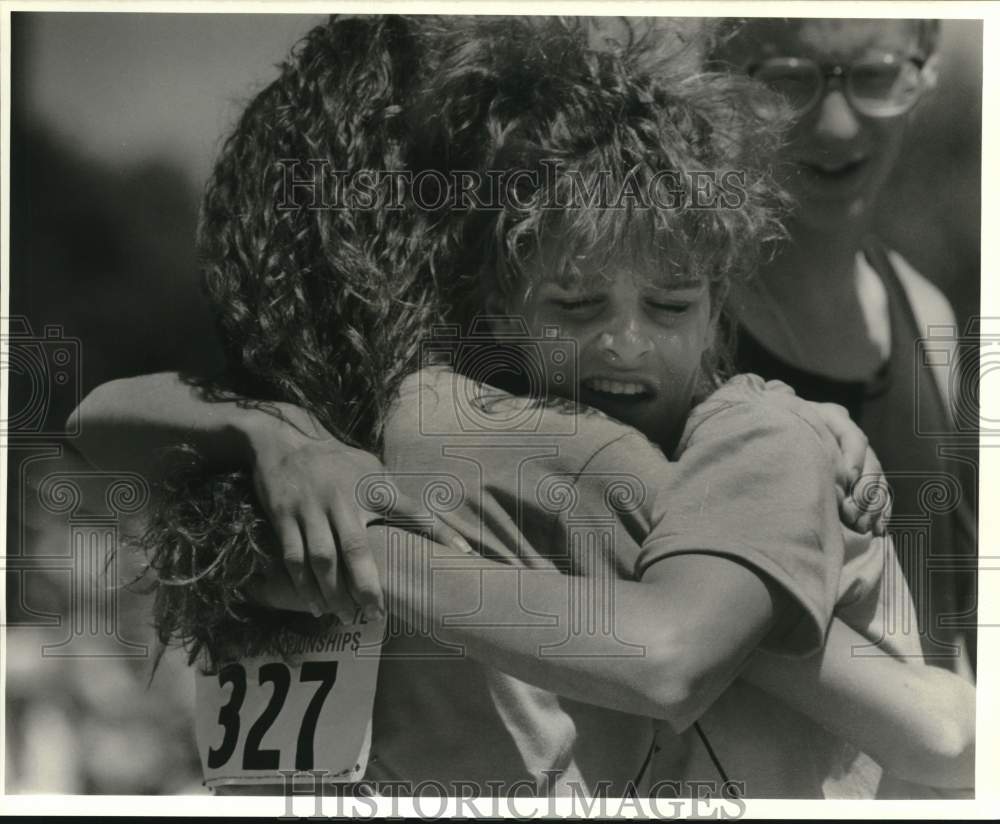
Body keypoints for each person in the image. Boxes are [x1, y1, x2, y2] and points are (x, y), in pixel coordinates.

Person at [69, 16, 973, 798]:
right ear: (493, 292)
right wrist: (268, 435)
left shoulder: (734, 439)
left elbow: (687, 660)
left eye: (669, 303)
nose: (624, 341)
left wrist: (347, 548)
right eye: (576, 304)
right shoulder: (379, 442)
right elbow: (93, 424)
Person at [712, 18, 978, 677]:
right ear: (721, 81)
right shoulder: (684, 321)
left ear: (924, 74)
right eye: (786, 80)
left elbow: (958, 624)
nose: (834, 126)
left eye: (874, 76)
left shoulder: (927, 312)